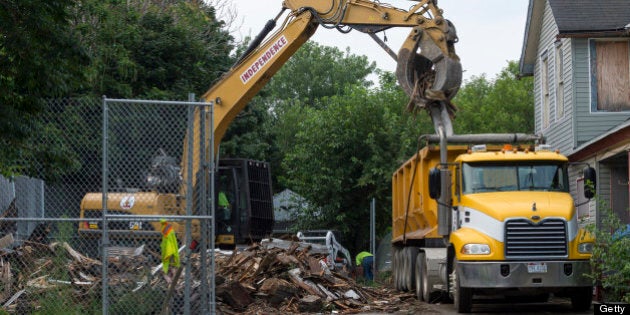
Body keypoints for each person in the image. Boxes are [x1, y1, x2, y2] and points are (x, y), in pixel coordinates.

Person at [160, 219, 180, 283]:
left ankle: (171, 278)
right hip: (170, 251)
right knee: (171, 265)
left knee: (170, 265)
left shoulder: (168, 231)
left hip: (169, 251)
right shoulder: (169, 230)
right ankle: (171, 277)